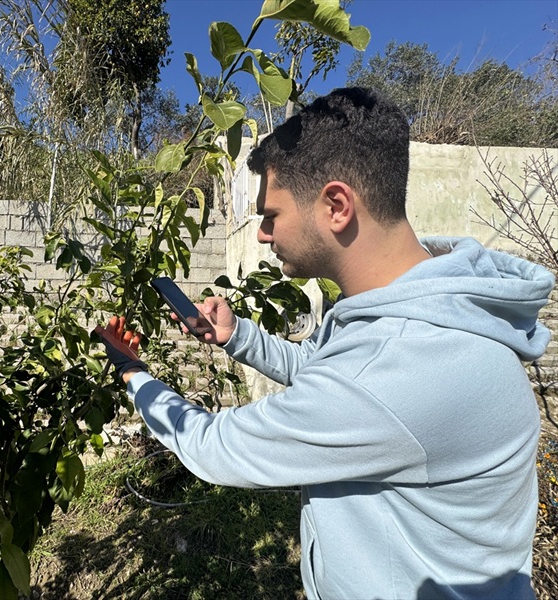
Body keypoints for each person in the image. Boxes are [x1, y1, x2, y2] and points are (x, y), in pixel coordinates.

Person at [96, 87, 554, 600]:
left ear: (336, 205)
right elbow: (322, 368)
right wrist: (236, 336)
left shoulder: (398, 366)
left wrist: (131, 370)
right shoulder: (417, 310)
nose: (264, 235)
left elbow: (213, 445)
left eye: (271, 216)